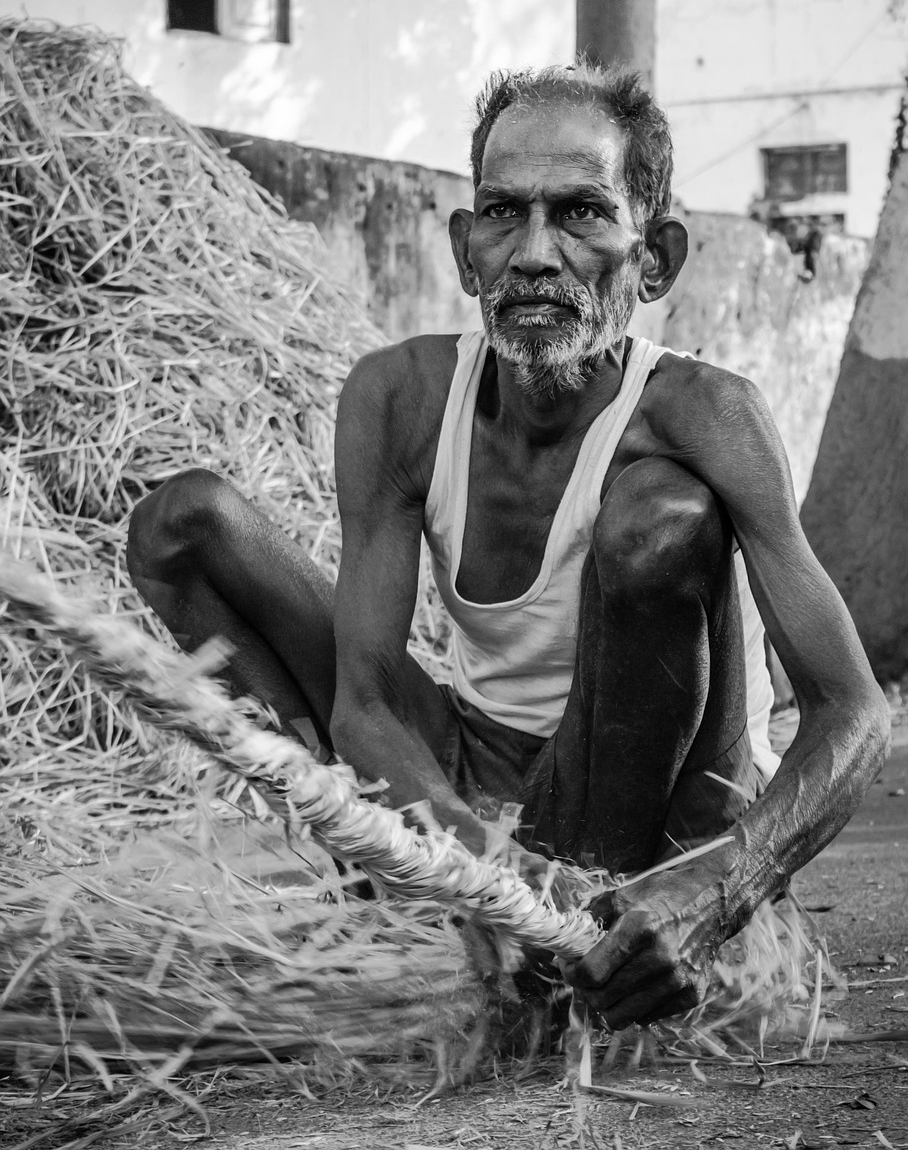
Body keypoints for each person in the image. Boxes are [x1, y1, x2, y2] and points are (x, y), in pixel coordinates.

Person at [126, 63, 890, 1032]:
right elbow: (361, 701)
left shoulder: (706, 412)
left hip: (660, 798)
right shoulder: (397, 397)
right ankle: (411, 891)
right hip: (483, 768)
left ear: (652, 258)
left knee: (659, 518)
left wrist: (717, 888)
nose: (534, 253)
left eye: (579, 214)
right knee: (180, 524)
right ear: (464, 249)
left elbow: (851, 708)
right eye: (502, 214)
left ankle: (597, 922)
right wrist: (466, 850)